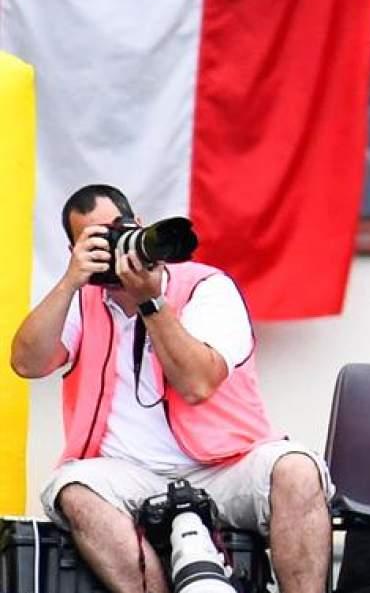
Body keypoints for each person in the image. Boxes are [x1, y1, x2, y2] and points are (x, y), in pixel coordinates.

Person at [9, 184, 332, 593]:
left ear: (137, 226)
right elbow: (26, 363)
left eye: (116, 232)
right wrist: (70, 281)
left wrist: (151, 303)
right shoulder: (82, 297)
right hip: (127, 470)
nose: (112, 249)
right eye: (95, 242)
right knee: (74, 490)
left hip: (223, 464)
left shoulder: (206, 287)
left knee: (298, 470)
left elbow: (198, 382)